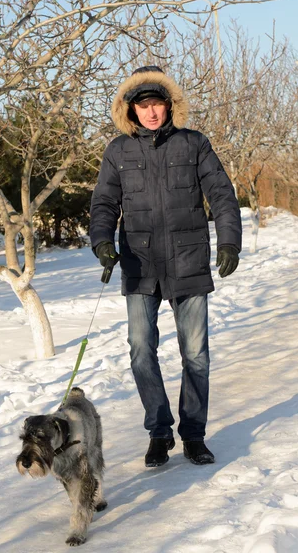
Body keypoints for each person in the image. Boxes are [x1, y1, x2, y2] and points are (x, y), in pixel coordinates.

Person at [90, 66, 242, 467]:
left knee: (196, 355)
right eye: (144, 105)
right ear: (132, 110)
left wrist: (229, 241)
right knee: (141, 350)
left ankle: (192, 434)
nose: (152, 112)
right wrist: (102, 242)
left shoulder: (194, 144)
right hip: (140, 266)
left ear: (169, 106)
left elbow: (222, 196)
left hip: (188, 262)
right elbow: (104, 203)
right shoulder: (117, 151)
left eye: (158, 104)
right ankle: (159, 431)